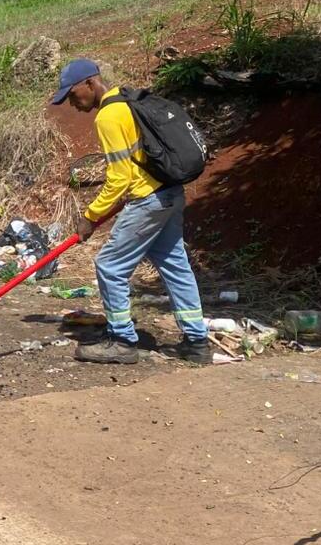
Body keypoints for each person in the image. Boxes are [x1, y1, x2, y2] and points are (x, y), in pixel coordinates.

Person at [50, 59, 211, 364]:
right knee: (175, 265)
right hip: (170, 193)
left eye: (72, 95)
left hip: (148, 201)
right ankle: (197, 342)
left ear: (89, 83)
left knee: (110, 266)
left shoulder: (109, 116)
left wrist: (90, 217)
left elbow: (119, 178)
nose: (73, 104)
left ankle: (122, 340)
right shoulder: (128, 101)